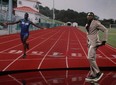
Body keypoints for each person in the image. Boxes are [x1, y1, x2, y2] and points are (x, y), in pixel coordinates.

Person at [85, 12, 108, 82]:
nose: (88, 16)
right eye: (88, 15)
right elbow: (88, 33)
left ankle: (98, 73)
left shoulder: (96, 23)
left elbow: (105, 30)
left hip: (94, 43)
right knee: (92, 59)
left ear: (93, 16)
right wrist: (87, 41)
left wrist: (104, 40)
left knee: (90, 57)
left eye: (90, 15)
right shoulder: (87, 24)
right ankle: (93, 74)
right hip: (90, 43)